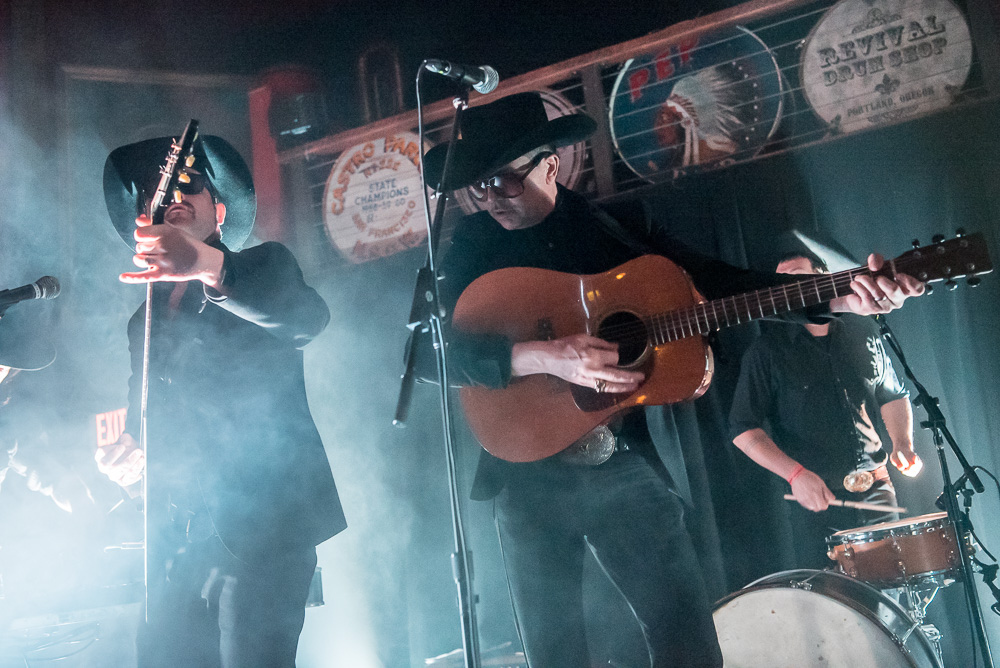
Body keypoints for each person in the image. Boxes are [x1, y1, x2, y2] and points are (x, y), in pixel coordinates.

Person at [419, 92, 924, 668]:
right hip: (523, 478)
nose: (491, 199)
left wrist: (839, 295)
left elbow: (725, 283)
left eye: (505, 181)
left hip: (619, 462)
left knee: (688, 645)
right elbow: (429, 356)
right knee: (554, 657)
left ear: (550, 162)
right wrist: (544, 356)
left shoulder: (620, 229)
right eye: (478, 187)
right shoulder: (470, 247)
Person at [97, 134, 346, 667]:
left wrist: (211, 267)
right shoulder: (143, 319)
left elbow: (307, 319)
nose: (175, 195)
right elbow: (145, 431)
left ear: (221, 210)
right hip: (173, 539)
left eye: (194, 186)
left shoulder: (263, 266)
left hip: (261, 529)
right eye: (159, 193)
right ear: (145, 221)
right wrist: (128, 462)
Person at [729, 252, 922, 570]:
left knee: (891, 595)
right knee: (838, 605)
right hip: (817, 498)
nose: (787, 287)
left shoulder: (863, 332)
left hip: (878, 488)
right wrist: (795, 475)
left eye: (796, 276)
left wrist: (903, 442)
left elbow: (893, 393)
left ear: (823, 279)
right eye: (781, 282)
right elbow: (742, 428)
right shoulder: (765, 352)